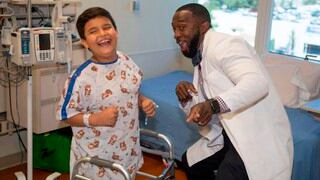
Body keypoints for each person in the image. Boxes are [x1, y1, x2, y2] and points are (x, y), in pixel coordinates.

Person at [171, 3, 293, 180]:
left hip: (253, 140)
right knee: (190, 163)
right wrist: (186, 99)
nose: (176, 35)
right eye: (174, 29)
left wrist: (212, 105)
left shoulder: (226, 44)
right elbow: (205, 110)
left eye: (182, 28)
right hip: (227, 135)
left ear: (203, 26)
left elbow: (257, 83)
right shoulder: (201, 57)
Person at [56, 7, 156, 179]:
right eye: (93, 31)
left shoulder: (126, 61)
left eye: (107, 27)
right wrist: (95, 119)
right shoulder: (80, 78)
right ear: (85, 42)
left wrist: (143, 101)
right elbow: (65, 114)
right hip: (97, 162)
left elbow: (131, 90)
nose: (102, 34)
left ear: (116, 32)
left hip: (128, 151)